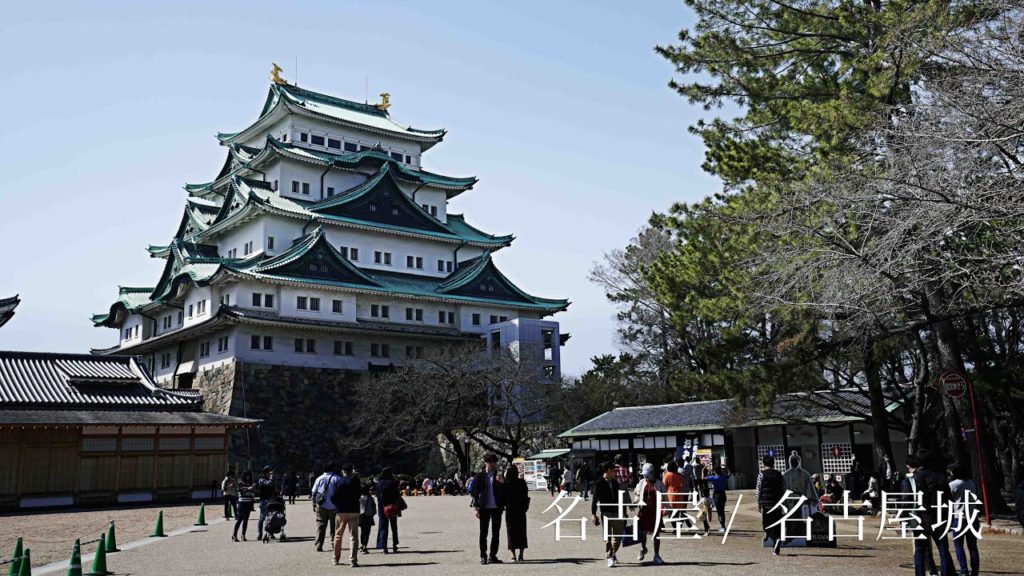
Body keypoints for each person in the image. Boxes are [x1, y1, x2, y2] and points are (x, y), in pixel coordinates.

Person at [904, 453, 955, 576]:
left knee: (920, 550)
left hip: (922, 517)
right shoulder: (941, 476)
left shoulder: (917, 477)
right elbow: (949, 499)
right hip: (940, 516)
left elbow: (918, 498)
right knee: (943, 549)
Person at [471, 452, 506, 564]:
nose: (492, 464)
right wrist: (476, 508)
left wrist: (503, 483)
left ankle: (493, 555)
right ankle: (483, 556)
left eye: (494, 462)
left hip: (496, 507)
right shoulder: (480, 476)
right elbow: (475, 493)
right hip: (484, 507)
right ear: (486, 462)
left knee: (496, 533)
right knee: (483, 533)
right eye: (490, 462)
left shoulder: (499, 475)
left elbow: (505, 492)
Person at [592, 461, 627, 567]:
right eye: (613, 471)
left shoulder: (615, 483)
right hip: (606, 512)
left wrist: (624, 512)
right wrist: (593, 513)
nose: (615, 473)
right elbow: (594, 500)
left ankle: (613, 553)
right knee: (607, 536)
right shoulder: (598, 483)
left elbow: (621, 498)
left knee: (618, 535)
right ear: (608, 471)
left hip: (617, 511)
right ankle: (610, 556)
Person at [948, 464, 980, 576]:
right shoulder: (971, 482)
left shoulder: (953, 485)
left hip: (959, 518)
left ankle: (964, 570)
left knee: (958, 545)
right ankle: (975, 571)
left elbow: (948, 500)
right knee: (972, 546)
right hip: (972, 517)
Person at [634, 463, 665, 565]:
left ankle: (656, 555)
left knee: (656, 534)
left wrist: (667, 509)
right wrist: (635, 501)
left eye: (647, 474)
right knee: (642, 533)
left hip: (655, 512)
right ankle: (643, 549)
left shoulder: (659, 484)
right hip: (644, 511)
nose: (645, 476)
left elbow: (665, 498)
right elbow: (637, 494)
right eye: (644, 474)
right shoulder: (641, 482)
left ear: (652, 473)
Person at [332, 463, 362, 567]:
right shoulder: (356, 481)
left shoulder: (339, 481)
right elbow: (359, 494)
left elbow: (333, 497)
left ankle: (336, 558)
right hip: (354, 509)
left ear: (342, 471)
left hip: (341, 511)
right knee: (353, 536)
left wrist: (337, 505)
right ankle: (353, 560)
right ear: (351, 470)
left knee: (338, 535)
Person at [756, 455, 786, 555]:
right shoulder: (779, 475)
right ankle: (776, 548)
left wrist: (758, 503)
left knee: (767, 526)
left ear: (763, 464)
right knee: (777, 525)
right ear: (774, 463)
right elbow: (784, 488)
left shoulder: (761, 475)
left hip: (766, 504)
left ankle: (775, 539)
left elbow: (758, 490)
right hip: (777, 504)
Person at [311, 463, 340, 552]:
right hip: (334, 506)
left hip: (321, 505)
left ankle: (319, 544)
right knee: (334, 526)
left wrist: (314, 504)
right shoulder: (337, 478)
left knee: (321, 525)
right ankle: (334, 543)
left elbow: (314, 492)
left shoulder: (319, 478)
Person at [504, 464, 529, 562]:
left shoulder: (506, 484)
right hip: (520, 510)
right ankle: (521, 555)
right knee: (522, 531)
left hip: (510, 510)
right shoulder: (522, 483)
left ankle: (513, 555)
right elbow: (526, 496)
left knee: (511, 532)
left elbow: (503, 497)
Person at [376, 467, 401, 554]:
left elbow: (378, 497)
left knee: (383, 528)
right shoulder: (393, 483)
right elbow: (397, 495)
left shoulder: (379, 484)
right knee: (394, 527)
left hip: (382, 508)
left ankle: (384, 548)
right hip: (392, 507)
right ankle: (394, 545)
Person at [704, 465, 731, 532]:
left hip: (716, 495)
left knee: (719, 512)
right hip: (723, 494)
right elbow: (729, 474)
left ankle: (723, 526)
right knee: (722, 511)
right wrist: (727, 468)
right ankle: (723, 525)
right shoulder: (723, 477)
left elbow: (703, 478)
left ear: (715, 471)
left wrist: (703, 469)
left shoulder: (713, 478)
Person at [255, 465, 278, 542]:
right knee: (262, 518)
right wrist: (271, 478)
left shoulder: (270, 479)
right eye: (269, 472)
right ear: (265, 472)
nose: (270, 474)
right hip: (264, 501)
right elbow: (269, 484)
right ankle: (260, 533)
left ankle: (270, 533)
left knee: (271, 517)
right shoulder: (261, 479)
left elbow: (273, 488)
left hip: (271, 501)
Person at [232, 471, 255, 541]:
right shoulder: (240, 483)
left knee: (246, 520)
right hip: (242, 503)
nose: (248, 477)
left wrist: (253, 489)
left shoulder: (250, 483)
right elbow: (241, 493)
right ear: (244, 476)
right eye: (247, 476)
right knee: (239, 519)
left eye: (249, 476)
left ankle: (243, 535)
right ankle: (234, 535)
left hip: (248, 503)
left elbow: (252, 493)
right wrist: (249, 489)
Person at [359, 484, 376, 554]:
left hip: (361, 516)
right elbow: (374, 508)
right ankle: (365, 546)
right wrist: (373, 513)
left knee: (362, 532)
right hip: (369, 516)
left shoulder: (359, 498)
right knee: (367, 532)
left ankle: (362, 544)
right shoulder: (370, 498)